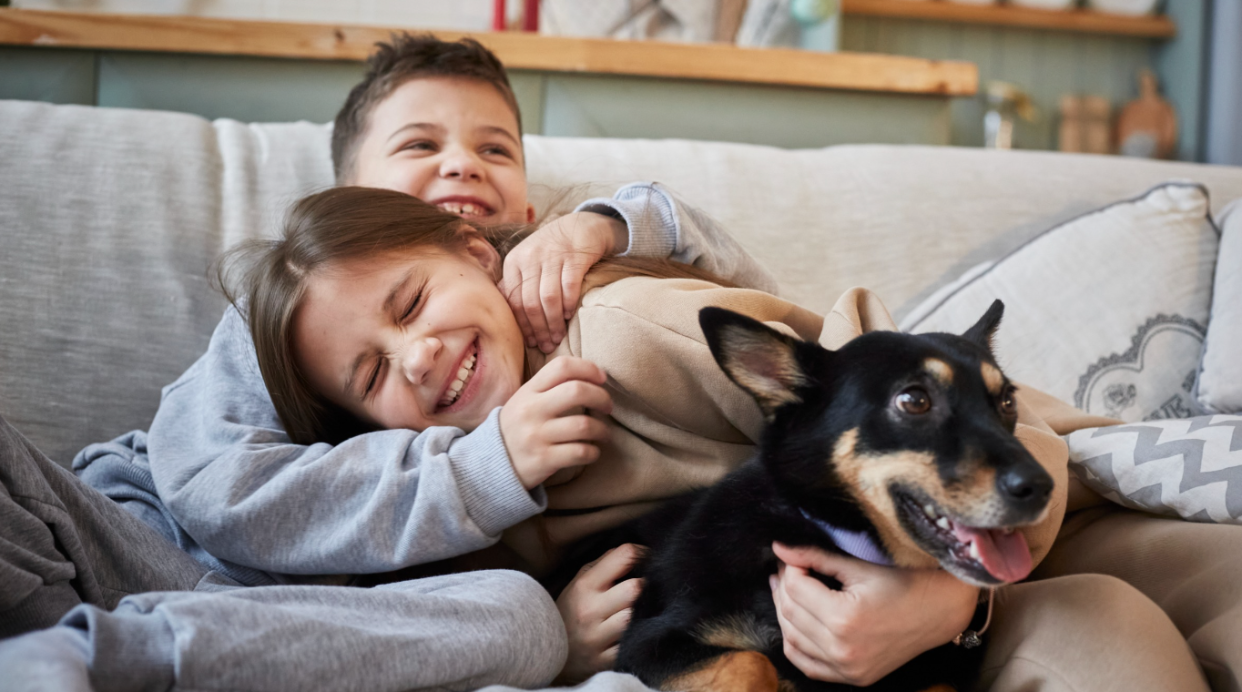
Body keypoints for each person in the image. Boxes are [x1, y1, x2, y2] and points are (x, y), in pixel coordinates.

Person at [0, 32, 780, 691]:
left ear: (511, 221)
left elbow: (753, 317)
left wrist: (608, 224)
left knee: (520, 613)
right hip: (112, 542)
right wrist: (485, 467)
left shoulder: (544, 318)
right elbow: (216, 487)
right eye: (419, 145)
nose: (463, 165)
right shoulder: (290, 303)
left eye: (494, 149)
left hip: (276, 630)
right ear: (349, 201)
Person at [245, 185, 1236, 692]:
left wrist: (939, 602)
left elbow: (890, 384)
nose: (414, 359)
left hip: (1027, 509)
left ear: (479, 253)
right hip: (903, 589)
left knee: (1187, 582)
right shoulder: (446, 513)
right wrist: (559, 634)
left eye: (412, 302)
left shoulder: (628, 327)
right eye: (371, 375)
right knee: (1111, 632)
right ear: (361, 430)